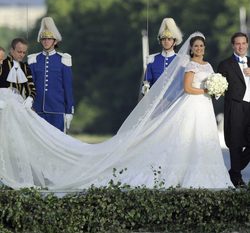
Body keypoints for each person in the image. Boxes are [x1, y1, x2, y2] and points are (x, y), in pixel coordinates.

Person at [0, 32, 234, 190]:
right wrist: (205, 89)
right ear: (191, 49)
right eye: (196, 46)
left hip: (204, 108)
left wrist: (215, 90)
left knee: (202, 141)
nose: (199, 49)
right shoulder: (186, 64)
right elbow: (183, 87)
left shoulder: (209, 64)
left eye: (201, 46)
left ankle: (207, 175)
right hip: (192, 104)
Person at [28, 17, 74, 132]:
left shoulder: (63, 60)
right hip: (37, 111)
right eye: (44, 39)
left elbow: (68, 88)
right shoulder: (33, 60)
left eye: (49, 39)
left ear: (55, 41)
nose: (46, 41)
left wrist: (69, 111)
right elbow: (30, 85)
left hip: (57, 111)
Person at [217, 32, 250, 188]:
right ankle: (237, 178)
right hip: (235, 107)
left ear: (247, 44)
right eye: (238, 43)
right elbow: (219, 87)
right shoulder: (225, 65)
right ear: (233, 45)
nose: (241, 46)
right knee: (235, 143)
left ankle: (234, 172)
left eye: (243, 43)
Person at [142, 17, 182, 94]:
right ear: (160, 41)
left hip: (175, 102)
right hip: (155, 102)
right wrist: (145, 89)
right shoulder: (152, 60)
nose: (166, 41)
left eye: (169, 39)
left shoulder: (181, 60)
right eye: (163, 39)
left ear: (174, 41)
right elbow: (146, 83)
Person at [0, 38, 36, 107]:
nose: (22, 55)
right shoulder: (2, 64)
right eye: (19, 52)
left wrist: (30, 98)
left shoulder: (25, 67)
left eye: (24, 52)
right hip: (3, 106)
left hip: (19, 105)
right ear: (12, 50)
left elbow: (32, 89)